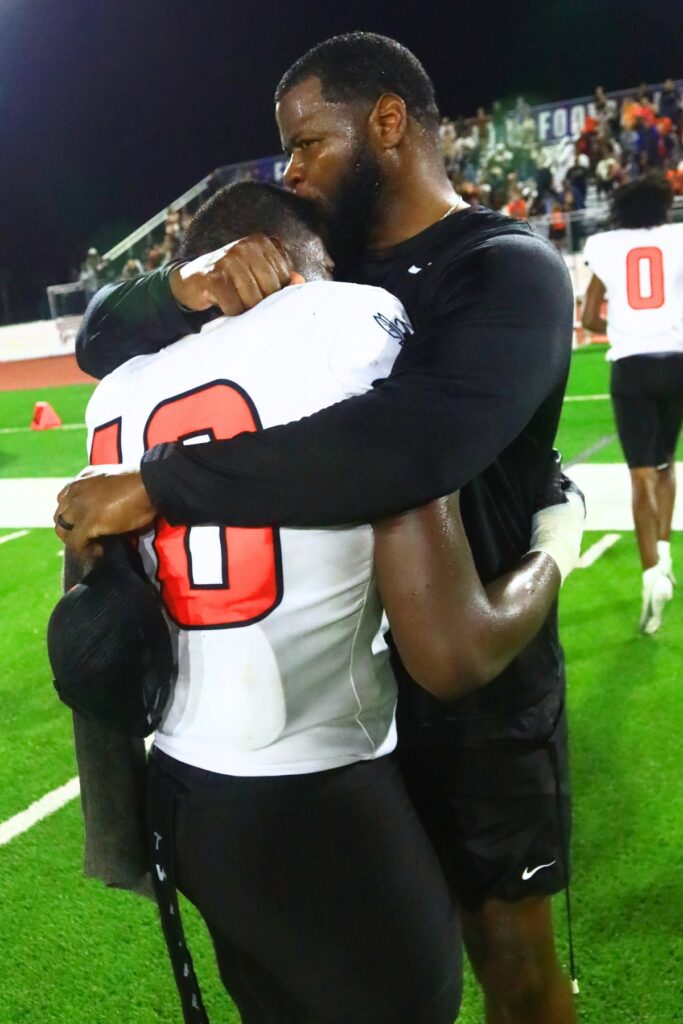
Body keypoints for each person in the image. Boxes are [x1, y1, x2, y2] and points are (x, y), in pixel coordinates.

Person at [58, 33, 577, 1023]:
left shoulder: (506, 267)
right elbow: (97, 337)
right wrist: (185, 282)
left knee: (510, 961)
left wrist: (160, 483)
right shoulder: (320, 279)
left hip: (474, 685)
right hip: (354, 693)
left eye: (305, 144)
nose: (288, 170)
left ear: (388, 122)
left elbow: (405, 448)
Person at [582, 175, 682, 634]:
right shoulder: (678, 238)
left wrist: (624, 322)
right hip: (676, 362)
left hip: (631, 367)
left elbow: (587, 317)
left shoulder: (603, 244)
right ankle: (664, 556)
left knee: (640, 475)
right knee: (665, 465)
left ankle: (650, 577)